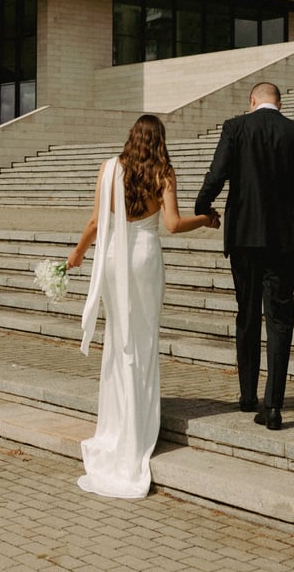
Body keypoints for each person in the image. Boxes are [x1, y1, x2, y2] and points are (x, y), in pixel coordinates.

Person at [67, 114, 219, 499]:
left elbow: (95, 222)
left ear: (132, 136)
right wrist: (205, 220)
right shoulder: (163, 172)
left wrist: (78, 253)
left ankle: (118, 423)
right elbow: (173, 224)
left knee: (119, 339)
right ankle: (138, 425)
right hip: (145, 257)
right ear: (159, 140)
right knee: (144, 341)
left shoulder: (108, 169)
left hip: (114, 258)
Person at [194, 82, 294, 431]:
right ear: (279, 103)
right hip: (284, 241)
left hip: (244, 237)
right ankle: (274, 406)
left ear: (252, 101)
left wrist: (202, 207)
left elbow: (217, 172)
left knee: (247, 313)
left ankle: (247, 395)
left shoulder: (236, 127)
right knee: (280, 320)